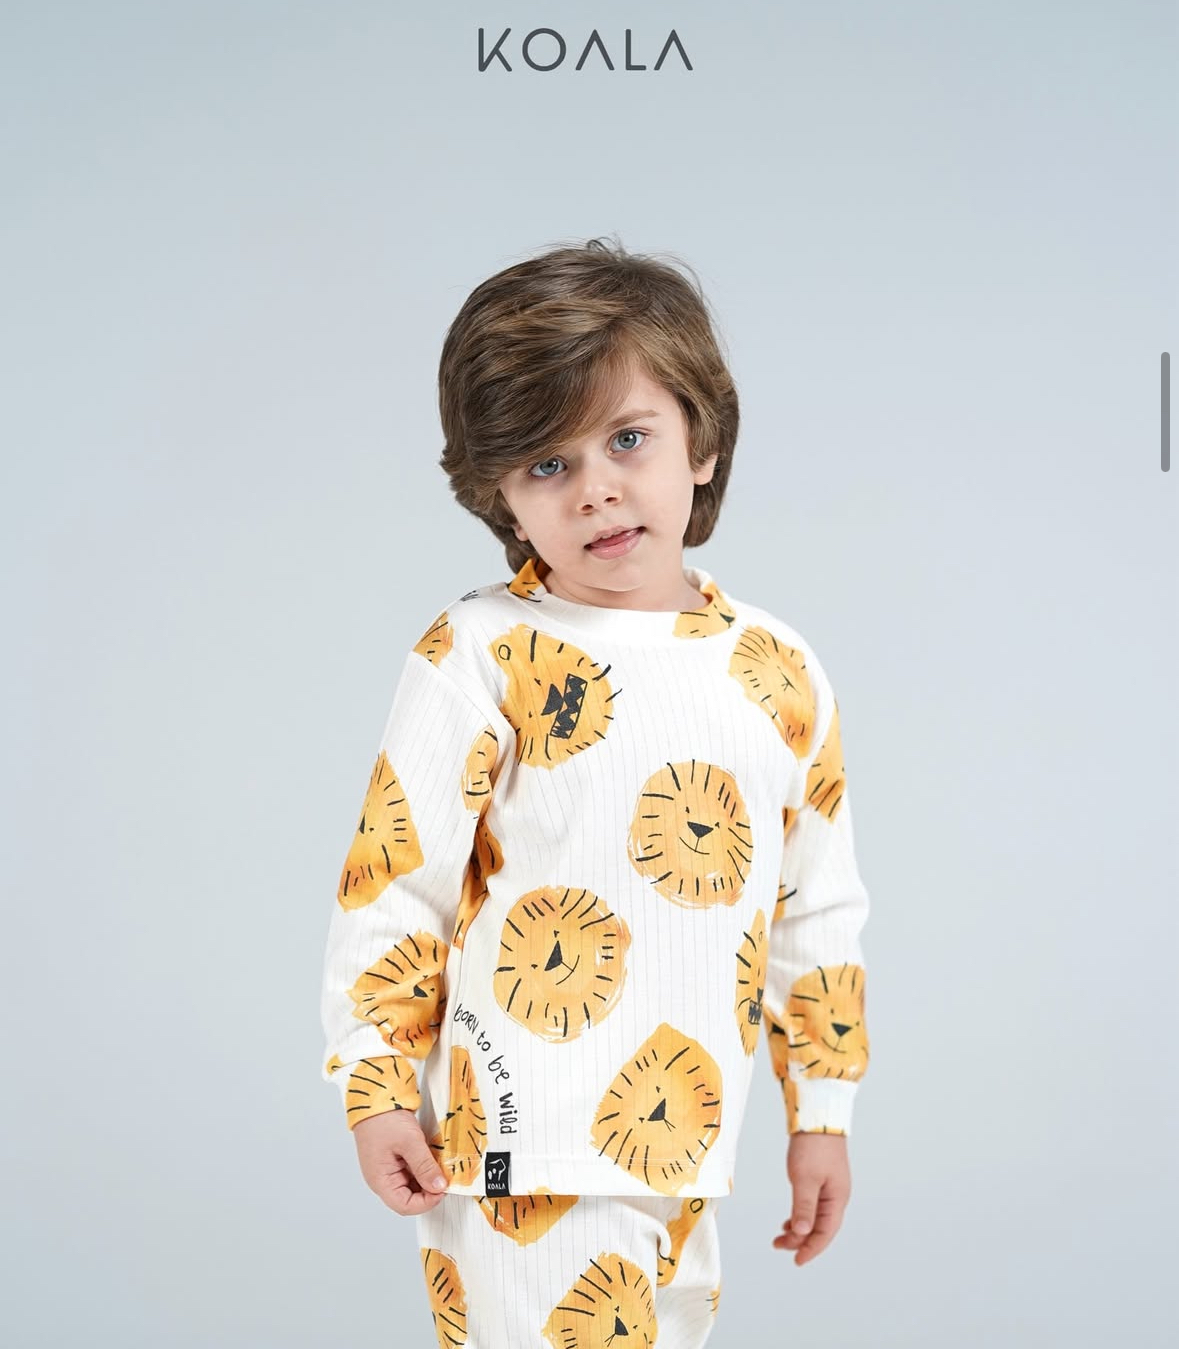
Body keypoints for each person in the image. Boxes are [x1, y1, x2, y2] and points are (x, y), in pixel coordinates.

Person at [319, 235, 872, 1348]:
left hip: (686, 1147)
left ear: (699, 442)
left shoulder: (776, 669)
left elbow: (815, 906)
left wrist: (822, 1110)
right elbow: (397, 884)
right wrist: (376, 1085)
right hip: (523, 1150)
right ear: (500, 496)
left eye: (627, 438)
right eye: (547, 464)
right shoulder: (479, 652)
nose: (597, 490)